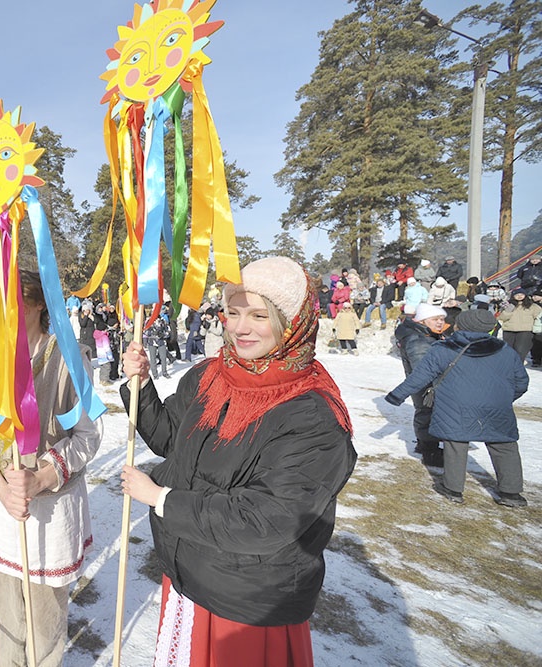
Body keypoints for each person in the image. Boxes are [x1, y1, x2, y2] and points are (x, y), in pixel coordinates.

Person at [118, 256, 356, 666]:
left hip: (246, 601)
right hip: (191, 570)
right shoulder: (212, 374)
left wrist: (162, 500)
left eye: (260, 315)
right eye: (232, 311)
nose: (241, 327)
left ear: (292, 322)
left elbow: (268, 519)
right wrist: (139, 386)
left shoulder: (310, 415)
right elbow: (171, 439)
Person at [0, 270, 101, 667]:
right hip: (1, 513)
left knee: (43, 622)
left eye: (16, 300)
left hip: (48, 515)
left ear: (40, 304)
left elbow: (88, 435)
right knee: (3, 612)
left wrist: (41, 476)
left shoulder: (68, 356)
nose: (6, 310)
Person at [387, 309, 529, 507]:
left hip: (456, 406)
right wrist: (503, 398)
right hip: (497, 406)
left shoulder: (444, 348)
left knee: (456, 443)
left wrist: (396, 396)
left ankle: (453, 489)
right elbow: (521, 382)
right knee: (504, 445)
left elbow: (420, 377)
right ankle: (511, 493)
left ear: (460, 325)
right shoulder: (505, 349)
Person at [394, 303, 449, 467]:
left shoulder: (429, 335)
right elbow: (422, 369)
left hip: (429, 383)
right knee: (427, 414)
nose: (440, 322)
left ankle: (425, 445)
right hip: (426, 385)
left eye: (442, 319)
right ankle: (429, 451)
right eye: (435, 319)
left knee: (427, 413)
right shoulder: (418, 339)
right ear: (423, 321)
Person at [498, 288, 542, 363]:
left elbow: (538, 316)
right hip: (509, 330)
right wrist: (509, 310)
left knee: (520, 351)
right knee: (509, 351)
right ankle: (509, 367)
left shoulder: (532, 306)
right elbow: (501, 317)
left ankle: (518, 366)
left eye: (521, 294)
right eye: (517, 295)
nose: (519, 296)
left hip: (525, 331)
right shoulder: (507, 305)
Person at [143, 312, 171, 379]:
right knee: (153, 359)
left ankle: (164, 372)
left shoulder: (162, 320)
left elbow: (168, 330)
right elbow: (145, 332)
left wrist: (163, 334)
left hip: (161, 342)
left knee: (163, 358)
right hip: (152, 342)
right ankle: (155, 374)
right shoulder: (148, 321)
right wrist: (151, 335)